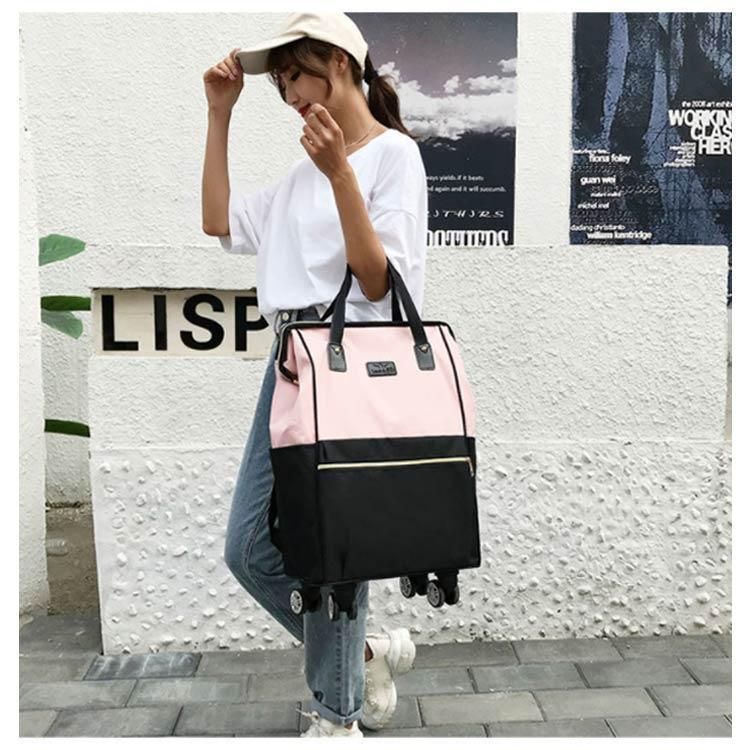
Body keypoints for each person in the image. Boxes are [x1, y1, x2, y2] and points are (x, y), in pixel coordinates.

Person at [201, 12, 426, 739]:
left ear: (338, 62)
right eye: (280, 85)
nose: (290, 95)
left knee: (335, 553)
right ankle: (360, 655)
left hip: (353, 367)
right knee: (249, 547)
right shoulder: (300, 177)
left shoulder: (394, 157)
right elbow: (217, 220)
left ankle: (338, 718)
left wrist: (340, 175)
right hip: (291, 366)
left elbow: (379, 283)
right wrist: (220, 113)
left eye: (295, 75)